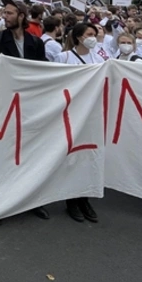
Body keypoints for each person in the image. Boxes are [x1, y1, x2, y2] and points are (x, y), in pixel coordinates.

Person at [0, 0, 49, 221]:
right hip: (3, 105)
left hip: (29, 105)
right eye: (4, 13)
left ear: (21, 16)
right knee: (2, 153)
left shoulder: (36, 42)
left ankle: (31, 199)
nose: (5, 16)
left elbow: (43, 72)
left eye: (10, 13)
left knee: (29, 152)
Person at [54, 22, 104, 223]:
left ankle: (84, 198)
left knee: (88, 157)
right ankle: (71, 200)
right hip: (71, 114)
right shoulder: (63, 58)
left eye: (95, 33)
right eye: (89, 34)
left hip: (92, 114)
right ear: (78, 37)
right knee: (71, 158)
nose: (93, 37)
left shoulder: (100, 57)